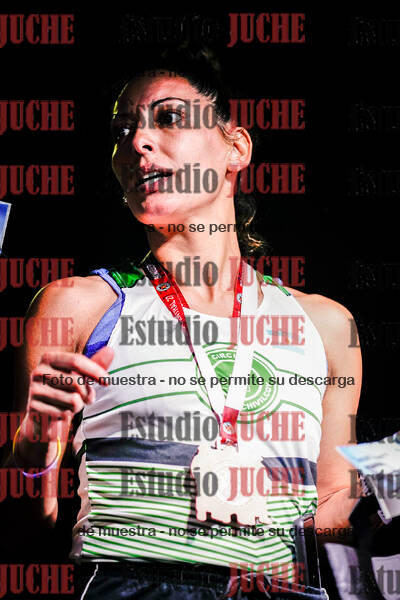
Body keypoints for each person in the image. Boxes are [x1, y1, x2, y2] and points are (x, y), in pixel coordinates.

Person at [9, 48, 362, 599]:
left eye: (169, 117)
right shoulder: (77, 307)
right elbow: (23, 527)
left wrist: (378, 497)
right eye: (122, 131)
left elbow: (333, 509)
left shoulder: (327, 325)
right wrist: (35, 444)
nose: (137, 142)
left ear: (235, 148)